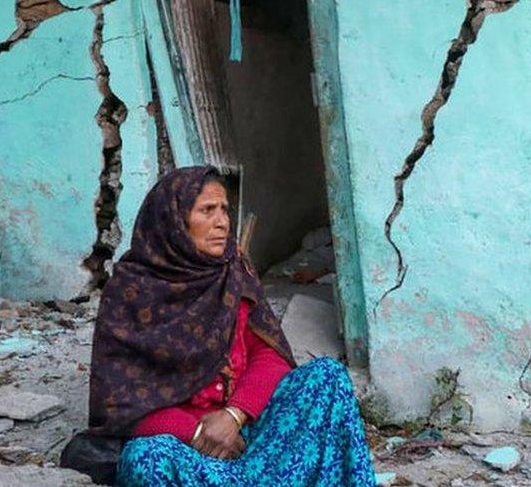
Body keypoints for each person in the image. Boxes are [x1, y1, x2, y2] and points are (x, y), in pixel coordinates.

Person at [88, 166, 375, 486]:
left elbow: (268, 355)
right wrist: (197, 431)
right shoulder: (130, 291)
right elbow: (121, 404)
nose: (222, 222)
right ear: (173, 221)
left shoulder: (233, 272)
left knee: (327, 376)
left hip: (246, 428)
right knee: (144, 459)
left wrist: (235, 415)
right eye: (207, 210)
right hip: (188, 445)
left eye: (224, 209)